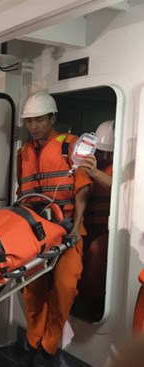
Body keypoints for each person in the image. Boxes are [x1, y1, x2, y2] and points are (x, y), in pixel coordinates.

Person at [15, 90, 91, 367]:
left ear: (52, 118)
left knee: (65, 287)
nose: (33, 126)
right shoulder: (23, 154)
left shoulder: (70, 146)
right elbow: (21, 192)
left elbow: (82, 188)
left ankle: (47, 348)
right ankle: (33, 344)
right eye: (30, 121)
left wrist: (78, 227)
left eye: (39, 120)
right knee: (32, 291)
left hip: (68, 230)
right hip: (35, 233)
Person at [78, 120, 114, 321]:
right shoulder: (85, 164)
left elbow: (117, 186)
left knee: (95, 255)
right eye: (101, 151)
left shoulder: (117, 170)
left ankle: (96, 307)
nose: (105, 156)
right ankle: (85, 304)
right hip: (87, 229)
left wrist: (94, 172)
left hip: (108, 233)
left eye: (109, 152)